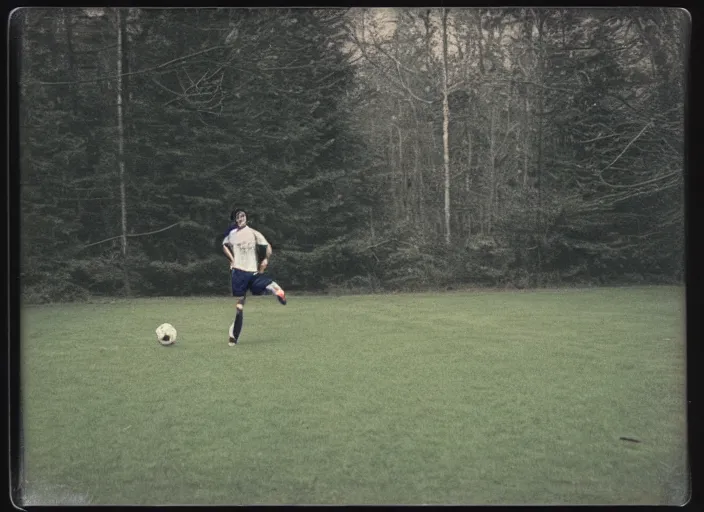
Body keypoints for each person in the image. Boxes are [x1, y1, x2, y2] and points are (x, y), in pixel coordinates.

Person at [222, 208, 287, 346]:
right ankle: (274, 288)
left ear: (245, 218)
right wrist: (265, 260)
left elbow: (224, 246)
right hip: (247, 272)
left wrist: (233, 260)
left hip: (241, 273)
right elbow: (268, 247)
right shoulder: (248, 233)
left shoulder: (240, 234)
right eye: (238, 217)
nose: (240, 219)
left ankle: (233, 337)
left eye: (242, 216)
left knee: (240, 305)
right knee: (257, 288)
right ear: (236, 220)